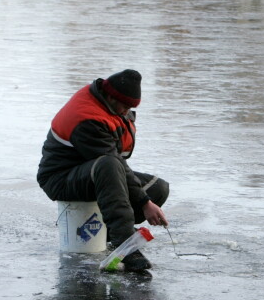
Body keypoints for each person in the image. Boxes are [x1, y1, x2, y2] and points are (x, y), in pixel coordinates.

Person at [37, 69, 169, 271]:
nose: (126, 112)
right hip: (61, 178)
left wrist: (146, 200)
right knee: (110, 166)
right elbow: (112, 163)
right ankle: (124, 245)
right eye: (124, 106)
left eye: (130, 107)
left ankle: (107, 232)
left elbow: (118, 164)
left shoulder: (109, 106)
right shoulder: (87, 118)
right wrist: (143, 202)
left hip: (94, 172)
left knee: (157, 188)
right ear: (109, 96)